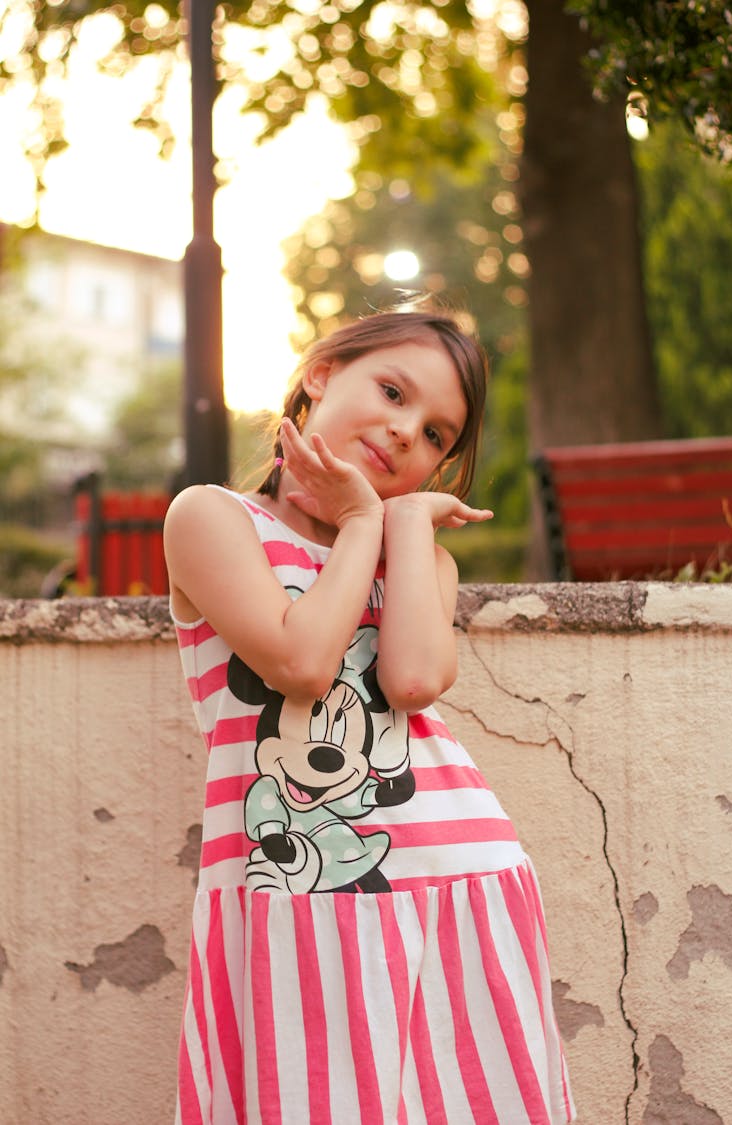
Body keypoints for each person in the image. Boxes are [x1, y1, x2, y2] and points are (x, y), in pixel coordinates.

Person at [164, 307, 575, 1125]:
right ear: (321, 373)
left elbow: (416, 677)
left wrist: (407, 526)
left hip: (460, 877)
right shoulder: (211, 518)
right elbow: (302, 661)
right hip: (297, 892)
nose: (403, 434)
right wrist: (360, 523)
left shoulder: (420, 557)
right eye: (392, 391)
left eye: (434, 436)